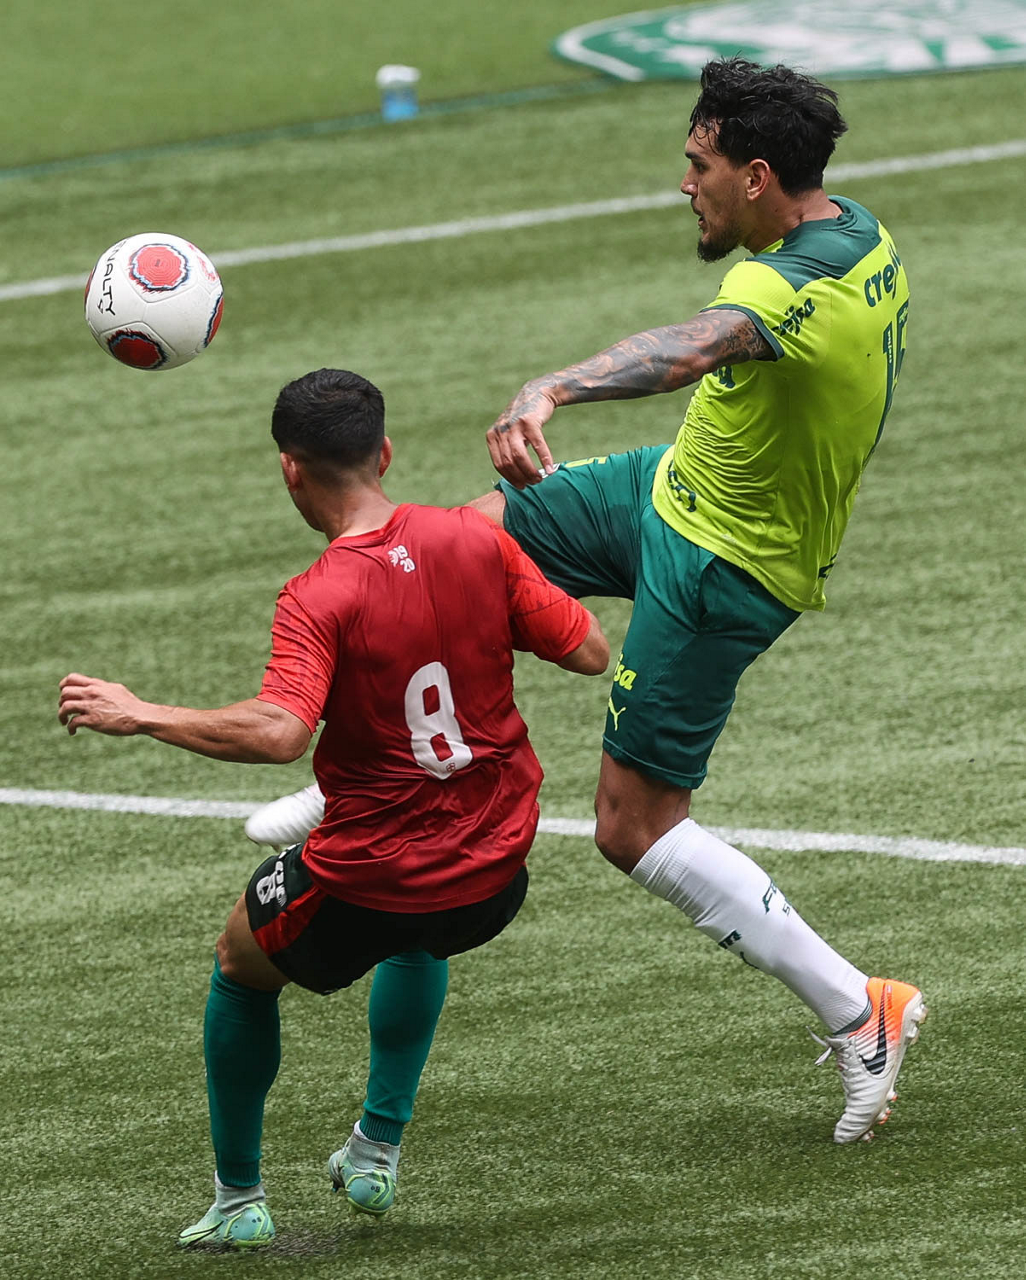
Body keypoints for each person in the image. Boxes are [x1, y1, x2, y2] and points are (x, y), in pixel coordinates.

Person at [251, 58, 926, 1146]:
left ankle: (860, 1009)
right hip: (673, 487)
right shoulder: (859, 230)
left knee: (632, 825)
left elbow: (692, 347)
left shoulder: (787, 289)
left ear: (758, 176)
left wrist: (551, 388)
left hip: (724, 564)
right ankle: (358, 788)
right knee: (451, 548)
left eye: (700, 165)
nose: (686, 185)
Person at [57, 368, 608, 1250]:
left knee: (240, 960)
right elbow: (588, 651)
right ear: (384, 454)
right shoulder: (475, 538)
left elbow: (281, 733)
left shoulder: (320, 594)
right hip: (498, 870)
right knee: (423, 934)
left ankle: (239, 1201)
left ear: (290, 469)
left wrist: (142, 712)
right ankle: (374, 1151)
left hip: (372, 879)